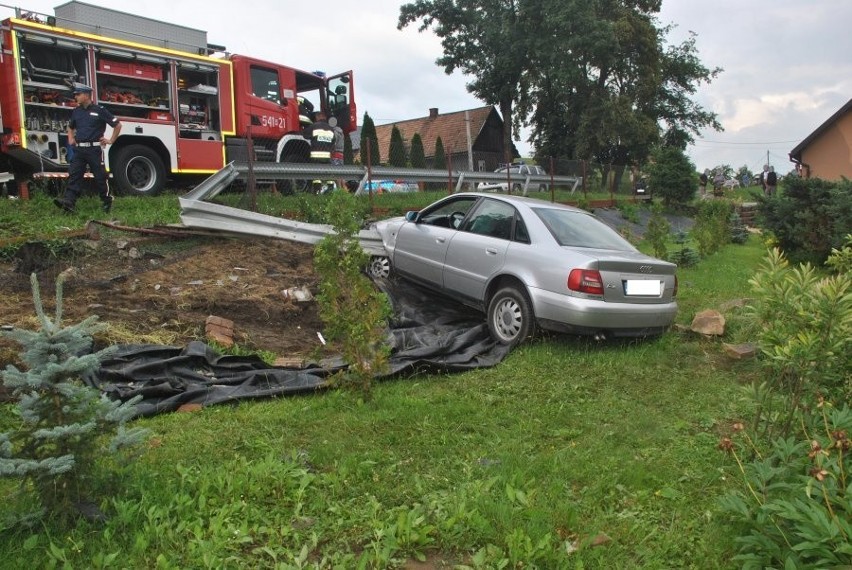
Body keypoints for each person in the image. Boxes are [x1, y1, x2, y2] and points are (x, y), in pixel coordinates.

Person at [54, 83, 121, 214]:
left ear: (86, 95)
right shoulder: (76, 111)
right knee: (74, 175)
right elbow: (70, 127)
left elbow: (117, 125)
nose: (76, 97)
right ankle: (69, 202)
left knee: (100, 177)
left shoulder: (100, 110)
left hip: (94, 150)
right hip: (79, 150)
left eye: (78, 95)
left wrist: (111, 140)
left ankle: (107, 201)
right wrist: (70, 138)